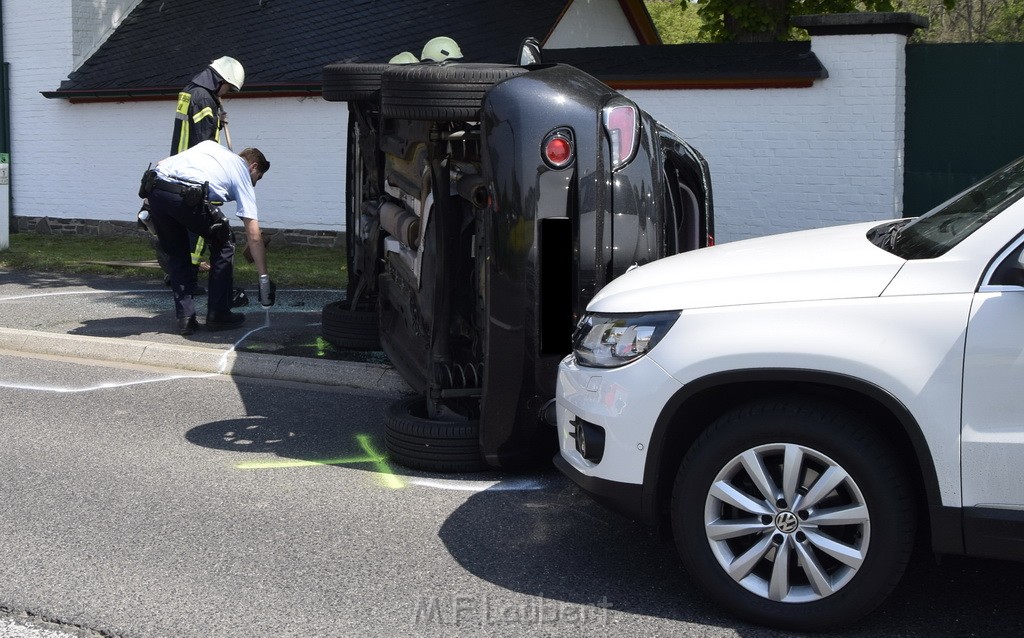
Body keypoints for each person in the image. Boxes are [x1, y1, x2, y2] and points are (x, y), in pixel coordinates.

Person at [141, 141, 273, 335]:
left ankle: (185, 318)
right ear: (253, 166)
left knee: (178, 253)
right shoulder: (242, 173)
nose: (254, 183)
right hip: (186, 195)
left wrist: (147, 204)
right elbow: (254, 236)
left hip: (155, 190)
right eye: (257, 178)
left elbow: (162, 163)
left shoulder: (209, 146)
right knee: (224, 240)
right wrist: (264, 281)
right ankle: (219, 313)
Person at [162, 56, 246, 292]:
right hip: (196, 173)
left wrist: (218, 118)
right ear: (220, 80)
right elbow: (204, 141)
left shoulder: (190, 92)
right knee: (199, 227)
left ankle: (177, 273)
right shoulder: (203, 99)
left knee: (182, 226)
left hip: (179, 167)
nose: (227, 93)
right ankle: (187, 278)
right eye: (228, 88)